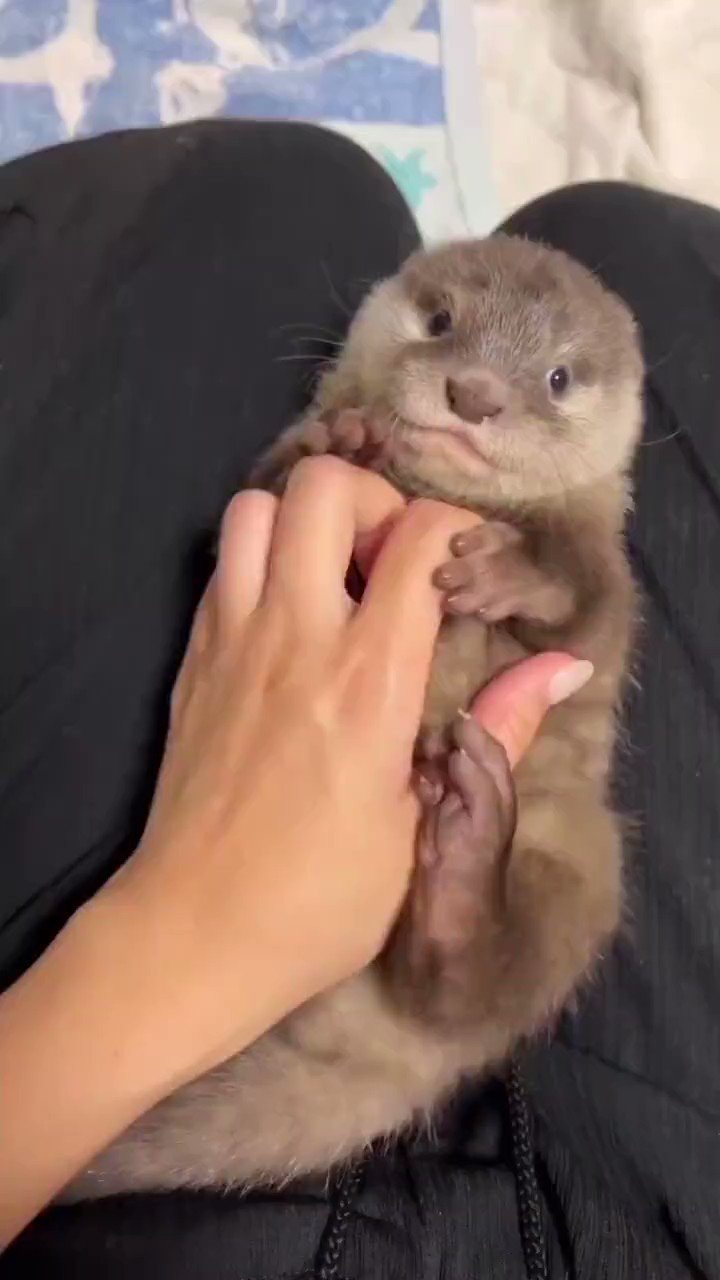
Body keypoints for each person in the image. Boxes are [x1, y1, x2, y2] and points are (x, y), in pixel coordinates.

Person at [0, 121, 717, 1279]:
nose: (476, 390)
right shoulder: (362, 411)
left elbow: (588, 611)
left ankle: (459, 936)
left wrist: (537, 575)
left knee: (284, 187)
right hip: (614, 1190)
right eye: (442, 328)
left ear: (619, 406)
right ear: (393, 308)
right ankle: (455, 932)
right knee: (632, 237)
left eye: (553, 383)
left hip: (382, 1021)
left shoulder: (577, 522)